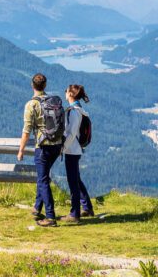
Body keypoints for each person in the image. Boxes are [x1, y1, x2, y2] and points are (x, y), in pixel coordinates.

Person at [17, 73, 64, 227]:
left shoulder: (31, 105)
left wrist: (21, 150)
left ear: (32, 85)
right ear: (45, 86)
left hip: (42, 147)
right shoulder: (53, 101)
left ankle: (50, 217)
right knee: (42, 177)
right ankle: (37, 208)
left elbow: (26, 131)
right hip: (57, 146)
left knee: (43, 180)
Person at [58, 84, 95, 224]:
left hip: (72, 150)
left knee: (72, 182)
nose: (65, 92)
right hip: (76, 149)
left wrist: (62, 148)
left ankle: (74, 214)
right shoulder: (80, 110)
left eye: (66, 91)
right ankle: (87, 207)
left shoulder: (73, 111)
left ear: (71, 94)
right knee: (77, 180)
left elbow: (72, 133)